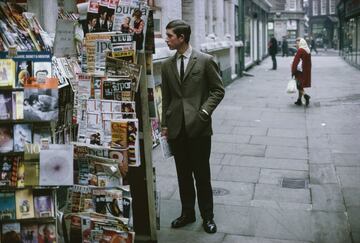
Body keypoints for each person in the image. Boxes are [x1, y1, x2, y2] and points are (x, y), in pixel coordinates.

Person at [161, 20, 225, 234]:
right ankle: (188, 213)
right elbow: (167, 98)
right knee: (183, 175)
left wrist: (204, 112)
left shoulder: (205, 61)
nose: (166, 39)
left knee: (202, 175)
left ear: (182, 38)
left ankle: (208, 216)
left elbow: (218, 90)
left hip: (199, 128)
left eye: (170, 36)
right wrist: (164, 125)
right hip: (177, 129)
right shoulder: (167, 65)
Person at [291, 37, 312, 106]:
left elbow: (295, 62)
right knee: (300, 85)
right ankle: (299, 100)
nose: (297, 44)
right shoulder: (307, 50)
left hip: (299, 71)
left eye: (298, 43)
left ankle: (306, 96)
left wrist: (293, 71)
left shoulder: (300, 50)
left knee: (299, 86)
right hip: (305, 71)